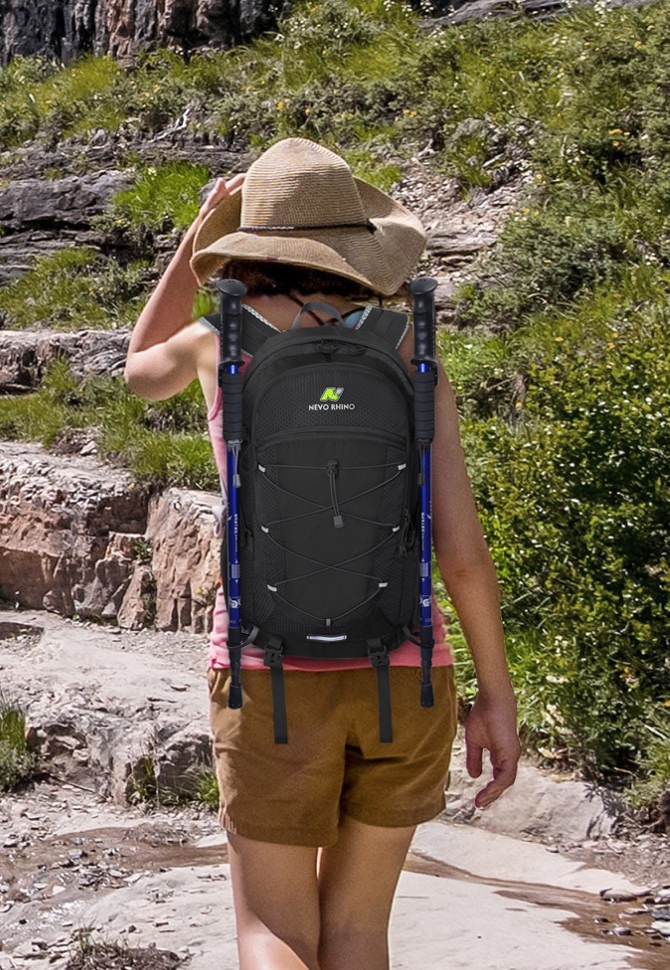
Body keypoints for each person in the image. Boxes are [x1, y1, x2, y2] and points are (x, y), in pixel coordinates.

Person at [125, 138, 520, 970]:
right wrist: (495, 695)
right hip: (407, 674)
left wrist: (193, 240)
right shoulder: (414, 352)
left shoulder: (214, 341)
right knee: (358, 933)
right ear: (357, 245)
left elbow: (136, 372)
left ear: (247, 244)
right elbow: (462, 551)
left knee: (272, 931)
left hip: (266, 672)